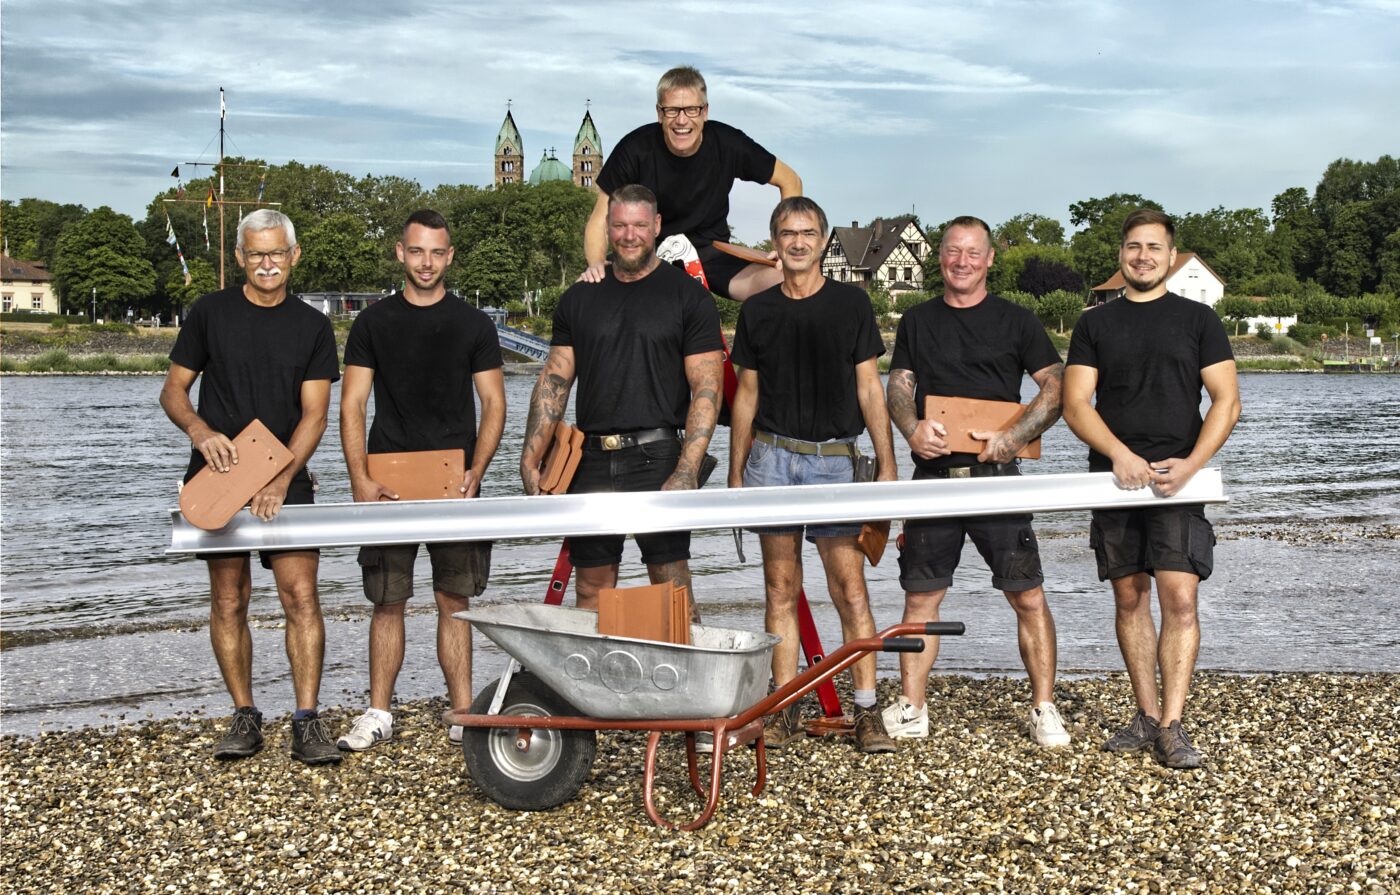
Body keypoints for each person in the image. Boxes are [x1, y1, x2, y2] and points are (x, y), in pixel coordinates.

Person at [158, 209, 341, 765]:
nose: (267, 263)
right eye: (257, 253)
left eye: (277, 252)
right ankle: (244, 714)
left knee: (300, 596)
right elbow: (173, 391)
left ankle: (306, 719)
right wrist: (200, 431)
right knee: (228, 598)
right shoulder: (209, 313)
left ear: (294, 255)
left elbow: (315, 416)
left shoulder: (312, 326)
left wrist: (282, 479)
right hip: (218, 473)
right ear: (240, 256)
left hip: (287, 475)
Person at [883, 215, 1070, 748]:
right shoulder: (918, 320)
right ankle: (913, 708)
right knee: (921, 598)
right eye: (952, 251)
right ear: (939, 257)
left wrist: (1015, 436)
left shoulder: (1017, 320)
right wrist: (911, 429)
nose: (961, 261)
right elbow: (898, 385)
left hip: (998, 479)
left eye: (972, 252)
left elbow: (1056, 387)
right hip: (933, 478)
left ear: (989, 260)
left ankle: (1044, 707)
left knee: (1027, 595)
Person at [1063, 208, 1240, 769]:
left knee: (1180, 597)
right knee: (1129, 596)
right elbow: (1075, 404)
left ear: (1171, 256)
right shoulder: (1094, 324)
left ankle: (1172, 725)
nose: (1143, 256)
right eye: (1134, 247)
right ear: (1121, 254)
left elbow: (1227, 402)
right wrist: (1119, 454)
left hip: (1177, 480)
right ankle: (1145, 714)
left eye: (1154, 247)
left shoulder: (1199, 320)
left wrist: (1192, 464)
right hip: (1113, 477)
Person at [727, 197, 899, 754]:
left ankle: (867, 710)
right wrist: (735, 474)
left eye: (807, 233)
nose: (797, 242)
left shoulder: (851, 304)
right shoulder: (757, 311)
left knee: (850, 589)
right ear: (774, 243)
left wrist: (888, 463)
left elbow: (870, 387)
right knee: (780, 588)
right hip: (772, 460)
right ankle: (783, 708)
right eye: (786, 233)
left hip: (836, 463)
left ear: (823, 241)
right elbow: (746, 395)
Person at [336, 210, 506, 753]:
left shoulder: (474, 325)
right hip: (388, 481)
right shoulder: (372, 324)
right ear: (400, 253)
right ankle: (378, 712)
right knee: (387, 600)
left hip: (456, 482)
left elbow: (494, 403)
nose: (426, 263)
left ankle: (463, 713)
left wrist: (478, 470)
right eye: (416, 251)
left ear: (449, 256)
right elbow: (353, 403)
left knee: (455, 598)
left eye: (436, 252)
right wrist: (360, 477)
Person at [521, 184, 724, 608]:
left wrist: (687, 469)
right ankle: (596, 657)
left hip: (659, 455)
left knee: (671, 589)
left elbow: (707, 388)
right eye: (619, 225)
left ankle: (682, 655)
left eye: (639, 225)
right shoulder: (580, 297)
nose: (629, 235)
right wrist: (530, 456)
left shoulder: (689, 297)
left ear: (657, 226)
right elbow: (555, 381)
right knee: (591, 589)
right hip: (589, 459)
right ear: (607, 229)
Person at [580, 65, 802, 302]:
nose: (682, 120)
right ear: (659, 113)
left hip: (713, 254)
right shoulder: (634, 148)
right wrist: (596, 264)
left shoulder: (729, 143)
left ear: (705, 112)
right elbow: (599, 219)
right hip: (649, 254)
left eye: (692, 110)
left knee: (786, 281)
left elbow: (790, 181)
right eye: (672, 110)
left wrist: (785, 243)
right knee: (589, 288)